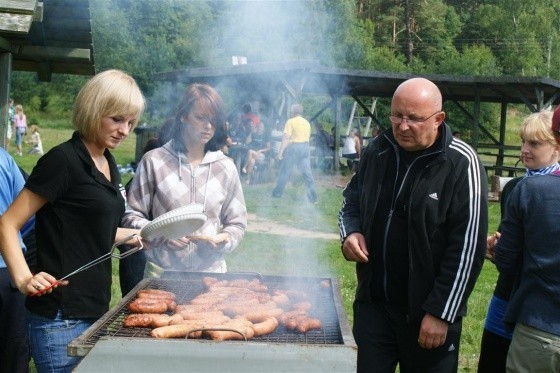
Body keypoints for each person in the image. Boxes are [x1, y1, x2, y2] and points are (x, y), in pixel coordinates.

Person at [0, 69, 145, 372]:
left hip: (95, 309)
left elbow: (88, 229)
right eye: (117, 119)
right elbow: (7, 223)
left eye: (131, 122)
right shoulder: (62, 161)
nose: (124, 130)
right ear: (94, 109)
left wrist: (133, 234)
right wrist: (24, 278)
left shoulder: (107, 161)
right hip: (59, 317)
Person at [338, 77, 487, 372]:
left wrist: (441, 312)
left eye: (414, 119)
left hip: (427, 313)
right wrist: (351, 232)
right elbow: (350, 200)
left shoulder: (460, 163)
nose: (402, 126)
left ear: (438, 119)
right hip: (374, 306)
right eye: (397, 115)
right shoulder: (377, 149)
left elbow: (468, 248)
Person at [122, 83, 247, 276]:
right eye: (200, 118)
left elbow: (237, 223)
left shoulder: (226, 167)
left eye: (214, 120)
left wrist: (224, 240)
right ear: (183, 116)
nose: (208, 126)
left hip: (211, 275)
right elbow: (131, 217)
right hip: (161, 273)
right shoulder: (154, 161)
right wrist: (159, 235)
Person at [478, 109, 560, 373]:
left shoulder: (530, 190)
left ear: (556, 145)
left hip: (538, 308)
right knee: (492, 361)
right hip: (507, 294)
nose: (525, 149)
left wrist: (504, 251)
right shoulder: (514, 188)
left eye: (535, 143)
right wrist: (495, 246)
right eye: (523, 141)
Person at [0, 147, 35, 373]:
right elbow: (28, 219)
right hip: (8, 270)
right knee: (10, 357)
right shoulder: (3, 158)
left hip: (8, 272)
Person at [271, 103, 317, 204]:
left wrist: (280, 152)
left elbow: (286, 138)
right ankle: (313, 198)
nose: (290, 112)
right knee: (307, 173)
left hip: (294, 148)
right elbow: (307, 138)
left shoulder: (290, 122)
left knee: (285, 171)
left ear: (293, 111)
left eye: (291, 111)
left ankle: (277, 193)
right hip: (305, 147)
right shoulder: (307, 123)